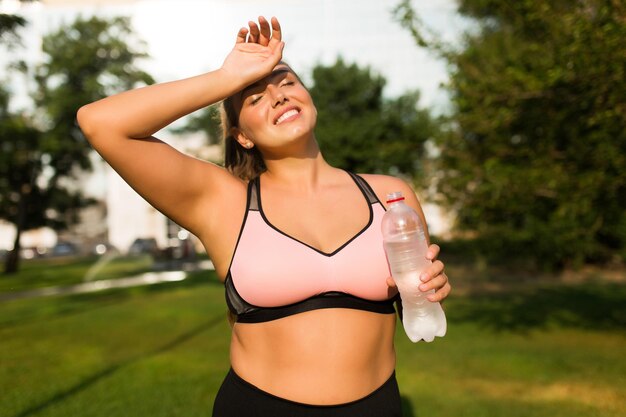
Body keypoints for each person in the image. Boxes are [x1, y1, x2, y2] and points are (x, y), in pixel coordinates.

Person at [77, 16, 451, 417]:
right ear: (242, 135)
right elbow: (101, 124)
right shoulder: (223, 202)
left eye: (287, 83)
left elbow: (416, 299)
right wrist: (227, 78)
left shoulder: (389, 197)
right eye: (255, 97)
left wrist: (432, 287)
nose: (278, 96)